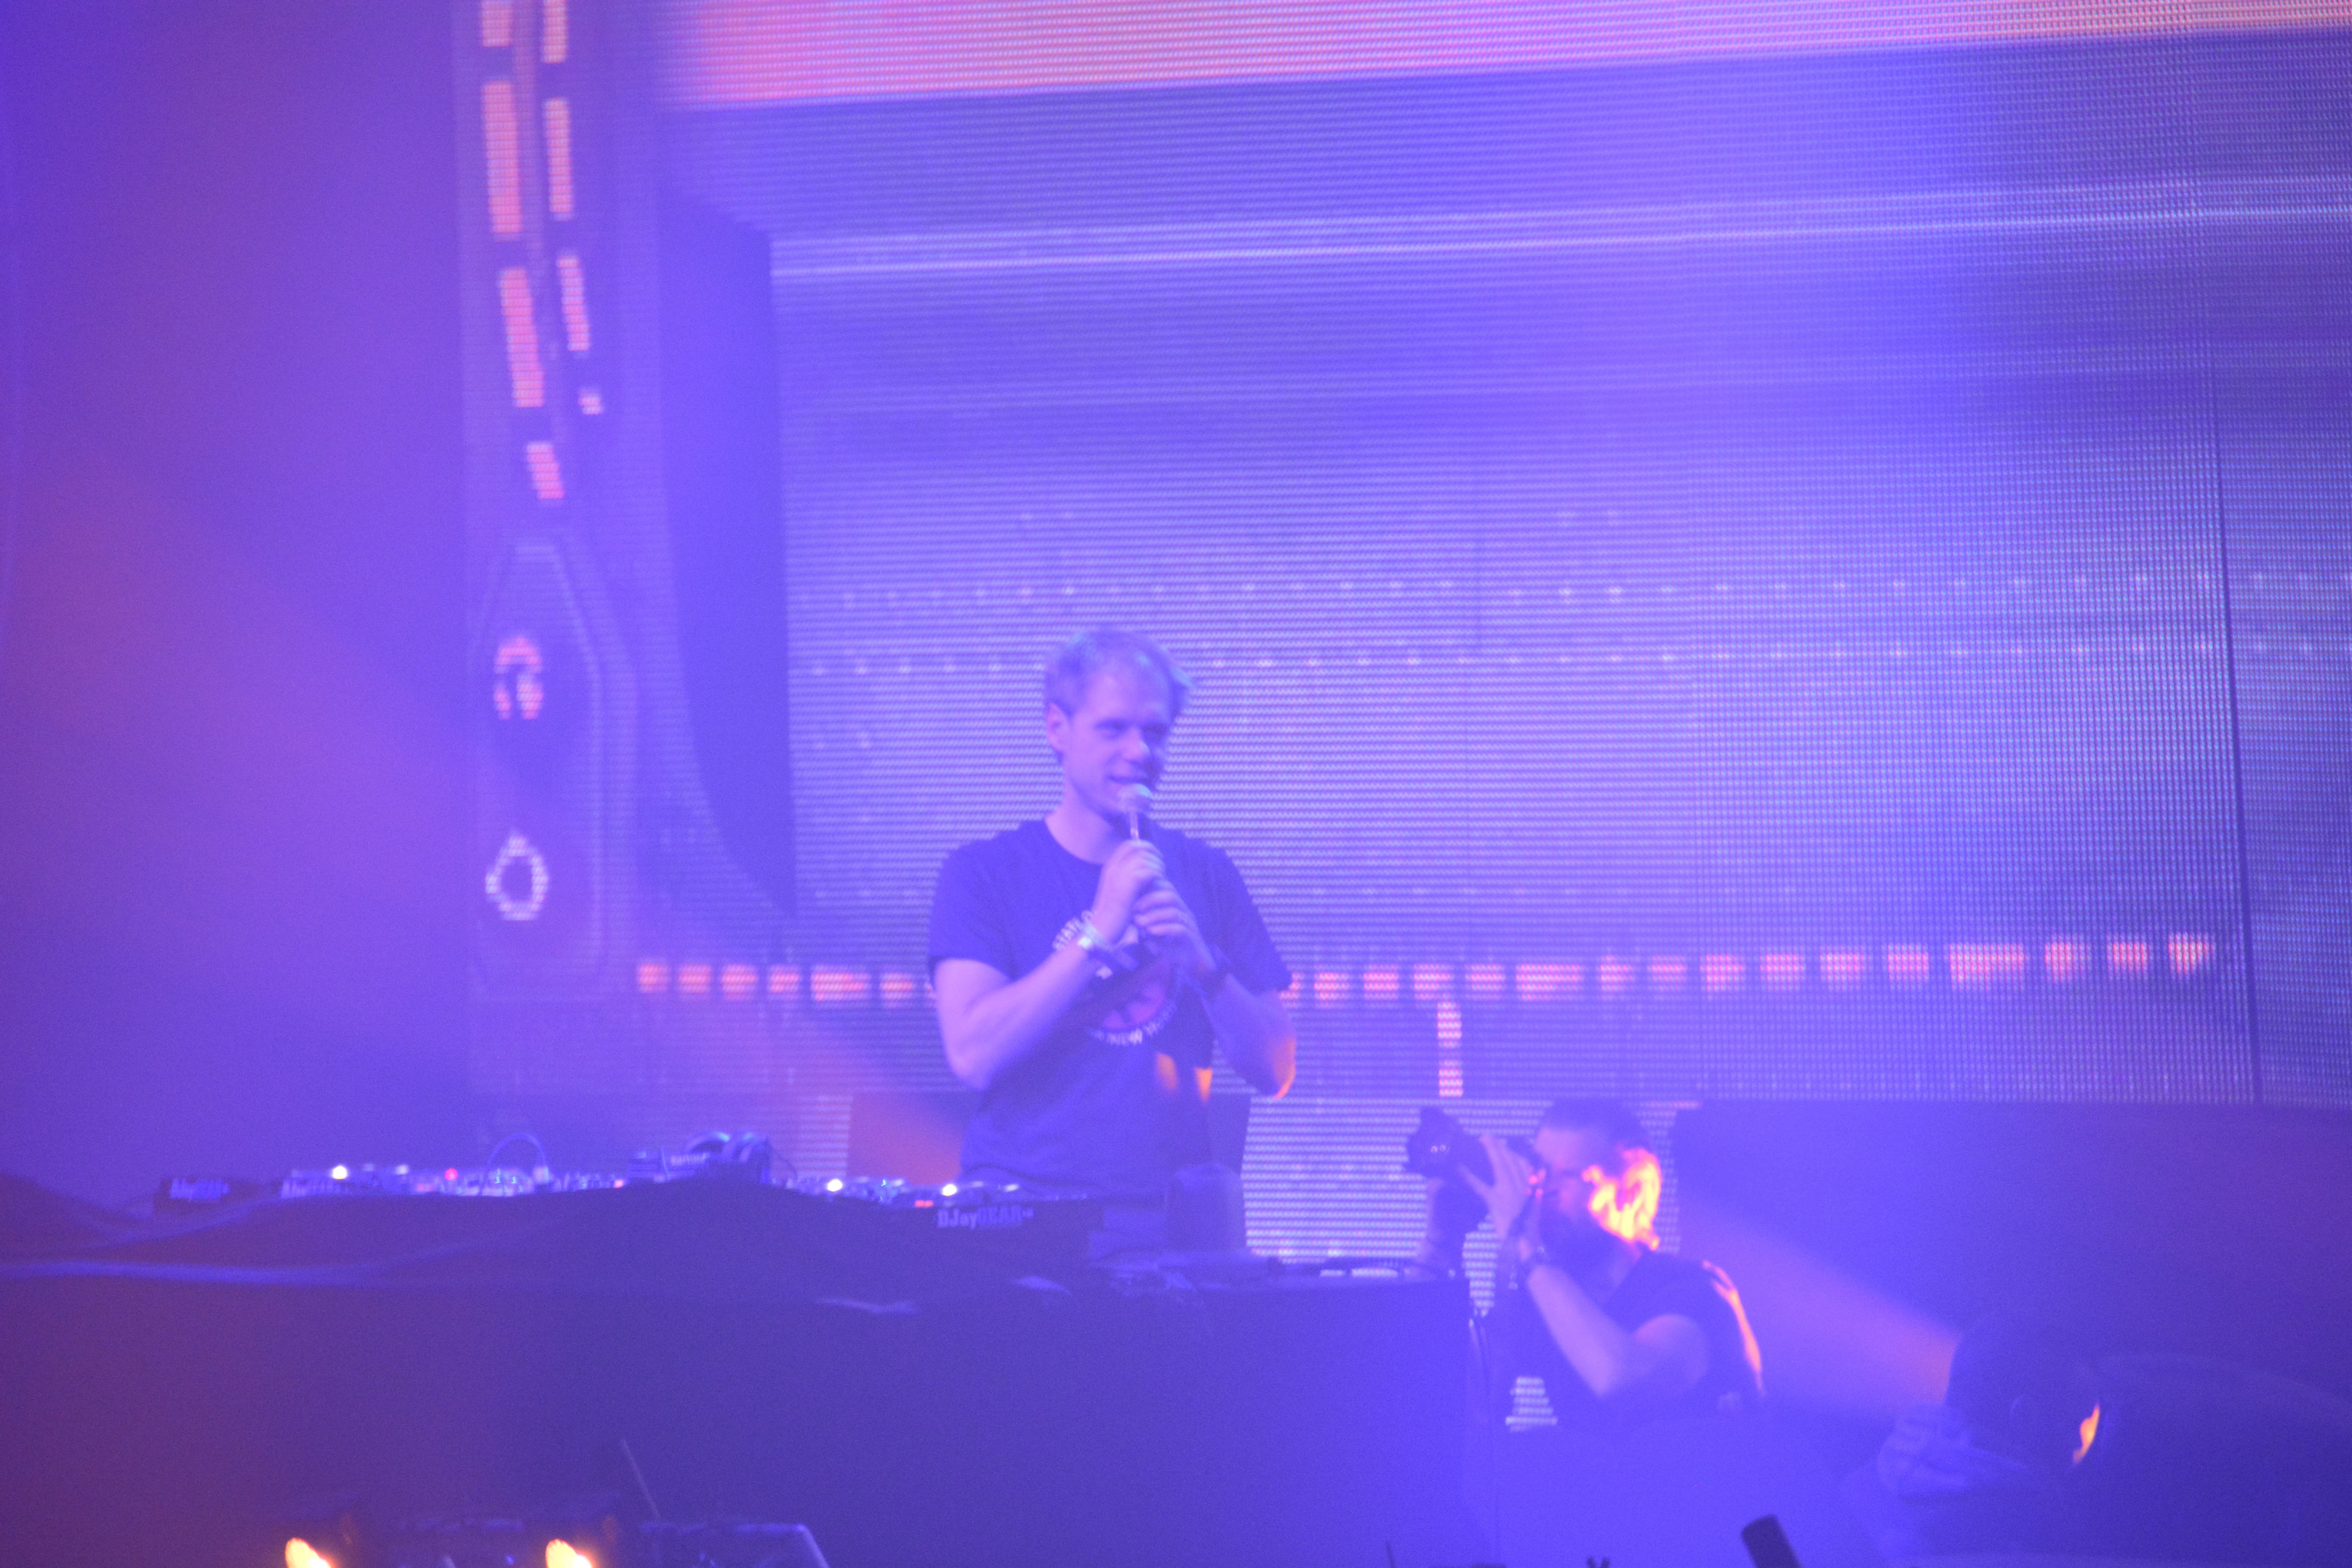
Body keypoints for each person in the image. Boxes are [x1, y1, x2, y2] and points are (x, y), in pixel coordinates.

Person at [929, 629, 1295, 1249]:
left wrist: (1203, 966)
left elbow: (1276, 1070)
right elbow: (972, 1055)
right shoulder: (984, 873)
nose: (1138, 751)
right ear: (1057, 728)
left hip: (1173, 1232)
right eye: (1113, 729)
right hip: (1019, 1226)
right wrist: (1097, 933)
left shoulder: (1207, 874)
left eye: (1155, 733)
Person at [1421, 1098, 1764, 1431]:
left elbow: (1622, 1379)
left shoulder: (1697, 1292)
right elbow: (1434, 1387)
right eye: (1540, 1172)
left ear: (1632, 1192)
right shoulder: (1541, 1303)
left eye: (1569, 1176)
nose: (1544, 1192)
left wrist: (1525, 1242)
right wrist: (1438, 1248)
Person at [1840, 1313, 2099, 1559]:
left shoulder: (1853, 1492)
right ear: (2026, 1418)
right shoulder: (2040, 1534)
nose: (2078, 1442)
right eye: (2076, 1422)